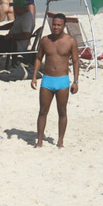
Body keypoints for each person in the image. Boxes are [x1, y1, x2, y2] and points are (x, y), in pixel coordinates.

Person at [31, 12, 79, 148]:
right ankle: (39, 141)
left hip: (62, 81)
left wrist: (76, 81)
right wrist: (34, 76)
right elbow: (39, 58)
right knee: (42, 111)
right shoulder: (45, 40)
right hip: (47, 80)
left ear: (64, 26)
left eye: (59, 25)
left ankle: (60, 141)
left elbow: (76, 61)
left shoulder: (70, 41)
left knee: (62, 112)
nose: (56, 27)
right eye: (54, 24)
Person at [0, 0, 34, 68]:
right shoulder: (20, 15)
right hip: (12, 40)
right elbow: (11, 25)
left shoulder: (26, 18)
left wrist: (11, 36)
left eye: (15, 8)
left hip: (16, 44)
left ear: (20, 8)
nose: (14, 10)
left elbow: (26, 35)